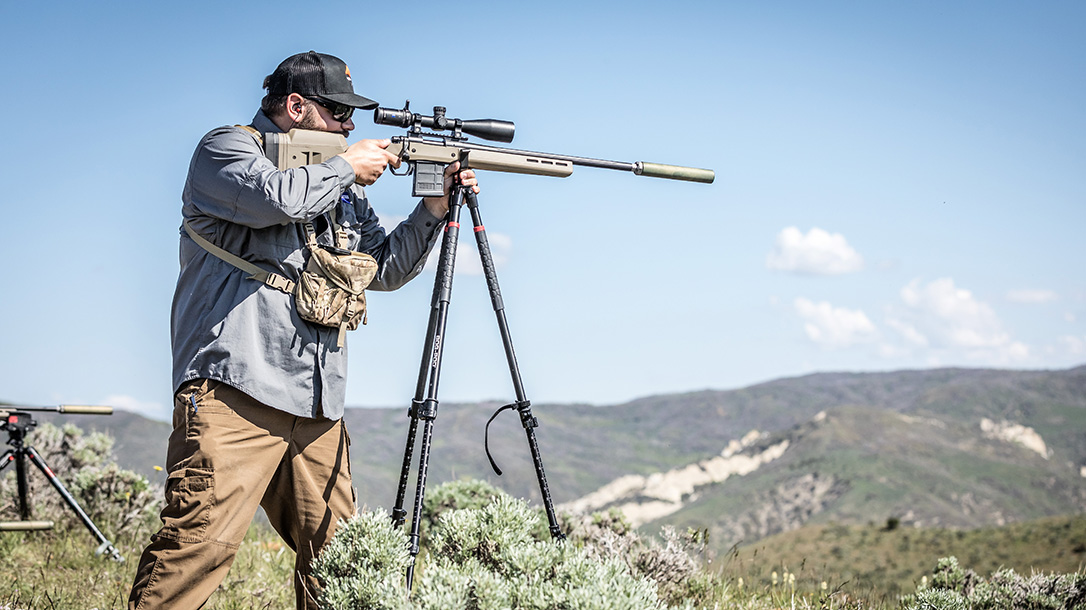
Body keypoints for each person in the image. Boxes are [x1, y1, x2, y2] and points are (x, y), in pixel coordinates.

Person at [128, 51, 478, 610]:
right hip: (233, 392)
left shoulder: (337, 185)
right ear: (296, 106)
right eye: (339, 112)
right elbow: (276, 199)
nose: (350, 126)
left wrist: (433, 210)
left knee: (342, 565)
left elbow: (382, 269)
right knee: (197, 550)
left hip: (317, 405)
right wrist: (346, 167)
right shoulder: (226, 150)